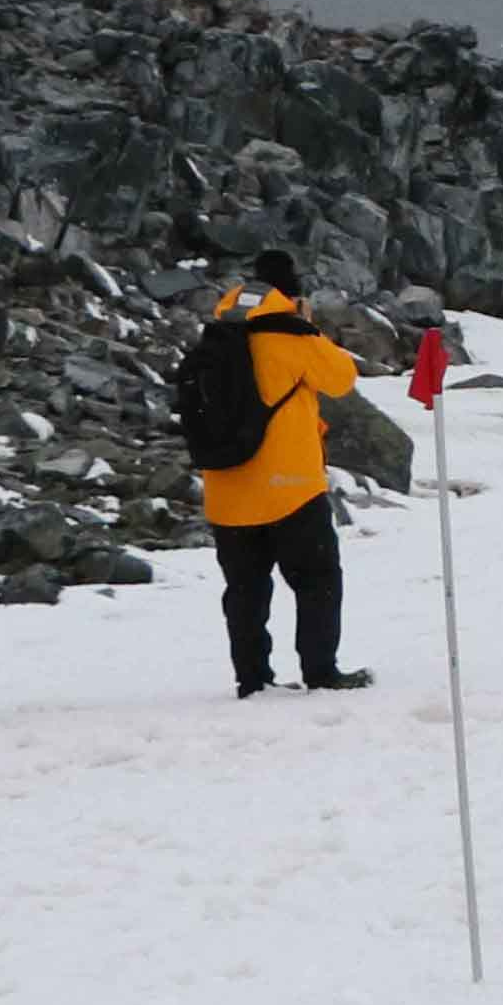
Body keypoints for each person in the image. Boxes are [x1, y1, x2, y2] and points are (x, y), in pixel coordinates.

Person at [190, 250, 372, 697]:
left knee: (245, 590)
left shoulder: (215, 339)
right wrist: (307, 324)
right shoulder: (293, 336)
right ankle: (321, 671)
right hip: (291, 489)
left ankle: (252, 679)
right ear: (290, 295)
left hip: (227, 489)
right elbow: (342, 378)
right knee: (317, 580)